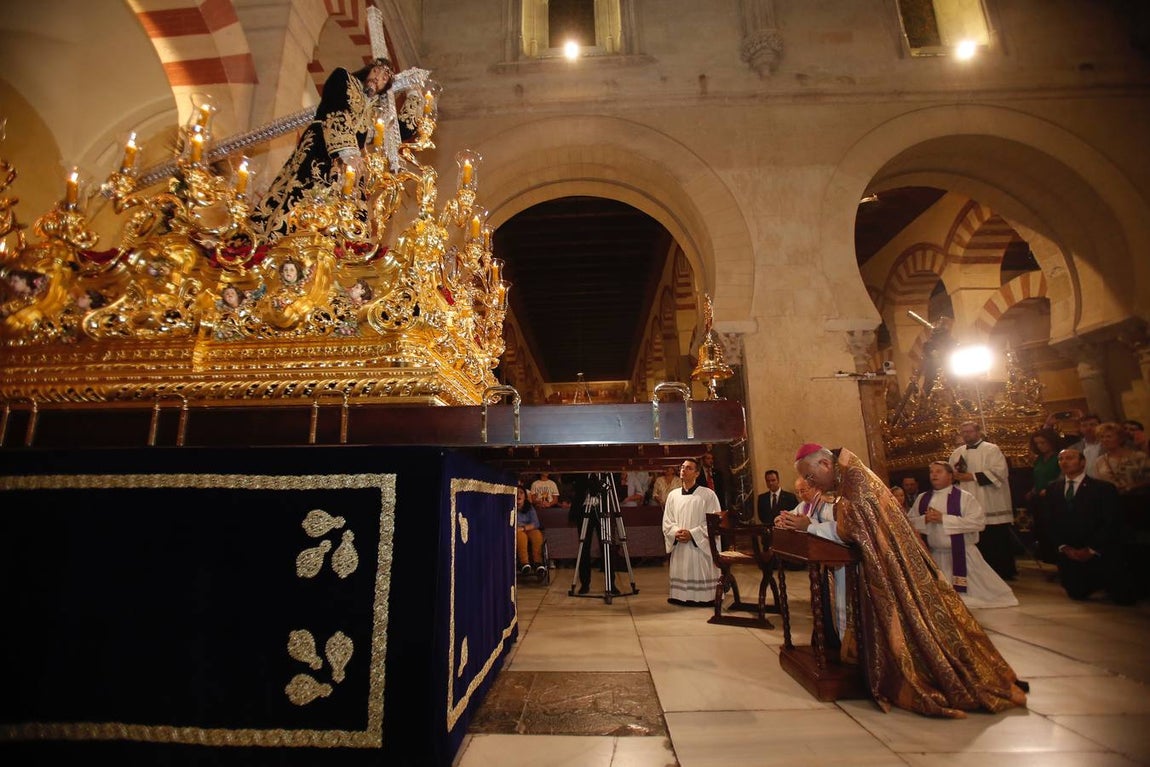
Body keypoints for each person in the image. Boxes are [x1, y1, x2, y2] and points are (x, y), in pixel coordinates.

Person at [793, 443, 1028, 717]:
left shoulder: (855, 482)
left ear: (824, 465)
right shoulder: (849, 475)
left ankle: (935, 671)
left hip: (891, 566)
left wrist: (810, 527)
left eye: (810, 477)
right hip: (881, 560)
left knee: (914, 621)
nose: (812, 484)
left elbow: (854, 528)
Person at [250, 58, 398, 241]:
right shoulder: (343, 77)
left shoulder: (373, 110)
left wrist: (415, 95)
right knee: (304, 190)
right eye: (376, 71)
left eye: (384, 78)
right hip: (322, 146)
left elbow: (397, 132)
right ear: (368, 70)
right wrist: (347, 151)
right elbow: (336, 110)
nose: (378, 78)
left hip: (349, 168)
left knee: (347, 213)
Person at [908, 461, 1018, 608]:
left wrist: (944, 519)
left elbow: (978, 523)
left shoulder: (965, 498)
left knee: (981, 596)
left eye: (939, 471)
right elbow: (908, 522)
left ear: (951, 476)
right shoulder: (922, 498)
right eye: (931, 472)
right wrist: (925, 519)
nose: (934, 474)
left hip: (963, 555)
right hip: (935, 555)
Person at [1044, 448, 1136, 605]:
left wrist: (1091, 548)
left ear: (1082, 462)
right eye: (1061, 459)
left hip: (1097, 549)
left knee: (1122, 595)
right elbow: (1050, 521)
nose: (1065, 462)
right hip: (1070, 551)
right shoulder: (1053, 488)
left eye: (1070, 458)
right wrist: (1064, 547)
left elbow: (1111, 521)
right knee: (1076, 593)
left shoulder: (1102, 488)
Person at [776, 475, 846, 638]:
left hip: (840, 561)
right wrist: (783, 520)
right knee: (824, 603)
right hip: (823, 562)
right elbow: (794, 516)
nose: (801, 495)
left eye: (804, 490)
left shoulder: (830, 502)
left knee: (838, 607)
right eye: (798, 491)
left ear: (816, 487)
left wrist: (809, 526)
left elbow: (841, 529)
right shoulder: (808, 505)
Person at [949, 420, 1017, 581]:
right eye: (964, 432)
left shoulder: (992, 449)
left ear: (978, 432)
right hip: (968, 499)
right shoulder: (957, 453)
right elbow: (951, 473)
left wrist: (971, 476)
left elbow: (1000, 472)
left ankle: (1003, 572)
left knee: (996, 539)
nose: (966, 434)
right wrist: (954, 476)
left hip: (990, 500)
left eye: (970, 431)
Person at [661, 457, 721, 607]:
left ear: (697, 473)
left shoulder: (708, 495)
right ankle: (680, 596)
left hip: (699, 546)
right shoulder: (673, 496)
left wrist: (692, 534)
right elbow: (667, 521)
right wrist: (676, 532)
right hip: (680, 543)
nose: (683, 470)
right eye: (682, 467)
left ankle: (705, 596)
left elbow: (714, 522)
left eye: (689, 468)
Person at [1025, 427, 1064, 563]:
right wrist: (1033, 490)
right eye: (1037, 443)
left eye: (1043, 442)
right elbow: (1039, 477)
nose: (1040, 446)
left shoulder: (1059, 457)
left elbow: (1061, 477)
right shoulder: (1040, 459)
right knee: (1043, 528)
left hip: (1055, 498)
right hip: (1040, 499)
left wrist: (1049, 489)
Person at [514, 486, 547, 579]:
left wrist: (524, 528)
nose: (518, 495)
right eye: (517, 493)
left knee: (537, 534)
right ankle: (524, 563)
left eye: (521, 493)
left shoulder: (529, 507)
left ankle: (538, 563)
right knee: (521, 536)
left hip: (527, 528)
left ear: (525, 496)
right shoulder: (510, 507)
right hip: (516, 531)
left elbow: (536, 523)